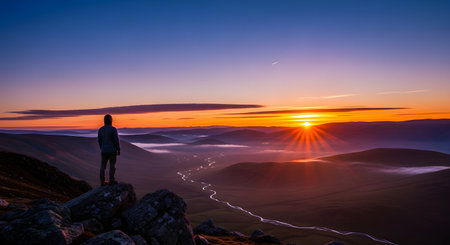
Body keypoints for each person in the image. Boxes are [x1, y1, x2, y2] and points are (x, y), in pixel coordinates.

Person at [98, 114, 120, 186]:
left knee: (103, 166)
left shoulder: (100, 130)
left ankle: (102, 182)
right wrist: (118, 149)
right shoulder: (113, 129)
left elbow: (99, 140)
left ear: (104, 121)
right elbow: (116, 140)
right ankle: (111, 181)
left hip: (104, 150)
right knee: (112, 165)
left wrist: (102, 148)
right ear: (111, 120)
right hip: (112, 150)